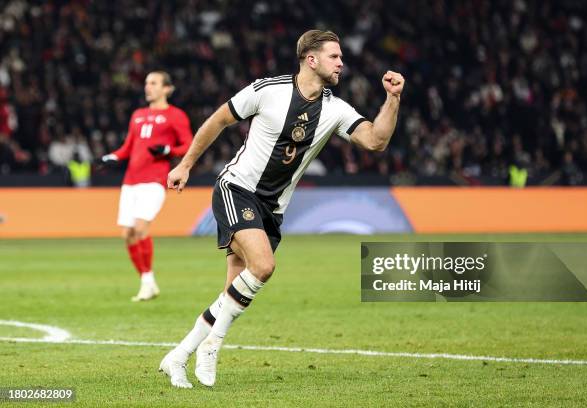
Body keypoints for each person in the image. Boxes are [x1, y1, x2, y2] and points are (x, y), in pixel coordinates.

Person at [160, 30, 404, 388]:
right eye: (334, 57)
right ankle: (209, 348)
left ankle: (181, 355)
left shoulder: (335, 109)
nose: (342, 63)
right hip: (237, 189)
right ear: (311, 59)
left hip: (273, 209)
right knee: (263, 265)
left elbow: (375, 140)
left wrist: (393, 98)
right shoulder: (267, 90)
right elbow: (218, 120)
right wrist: (185, 165)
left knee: (234, 292)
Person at [98, 71, 193, 301]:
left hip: (154, 181)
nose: (147, 87)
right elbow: (128, 147)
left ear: (167, 89)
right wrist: (112, 156)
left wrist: (169, 151)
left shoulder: (175, 115)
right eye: (146, 83)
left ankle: (147, 283)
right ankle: (147, 281)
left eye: (153, 83)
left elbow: (188, 145)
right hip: (130, 181)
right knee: (128, 234)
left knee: (140, 228)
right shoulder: (138, 115)